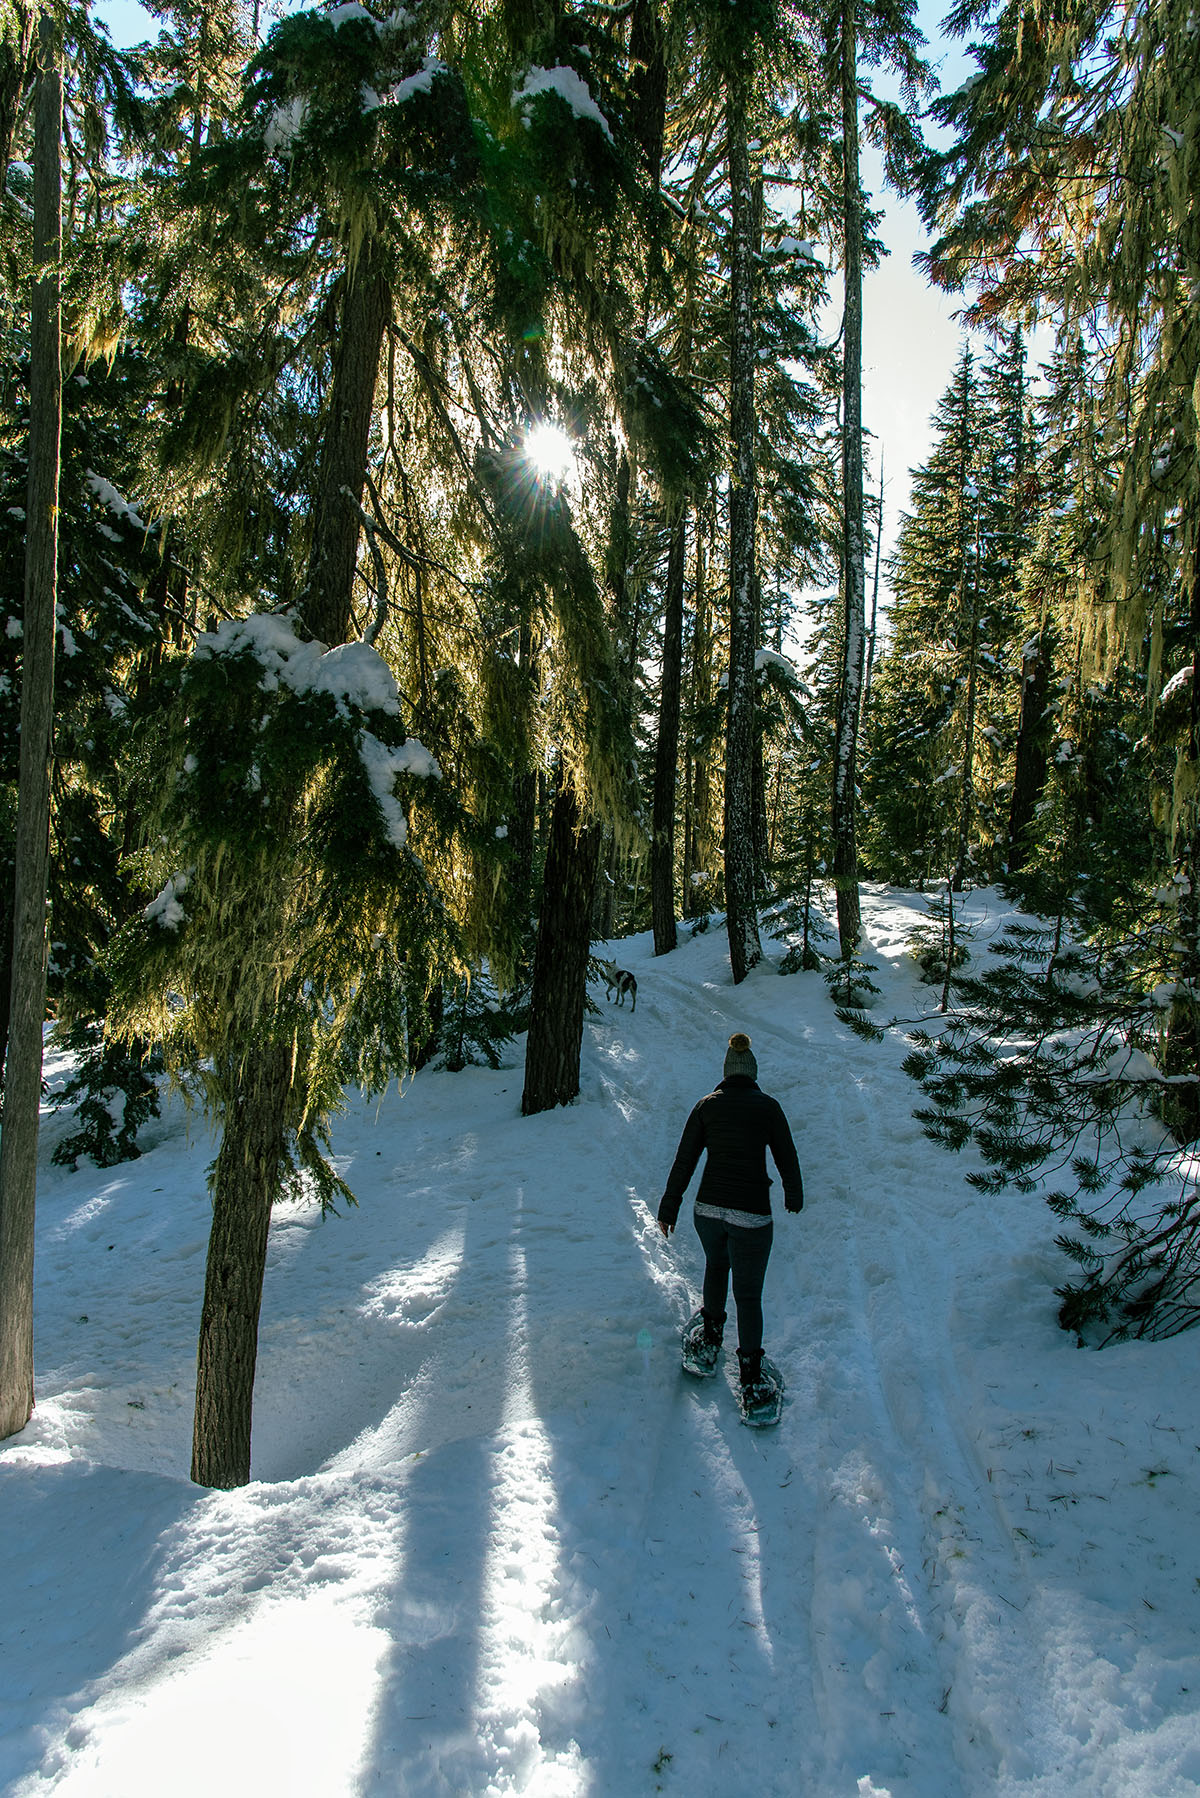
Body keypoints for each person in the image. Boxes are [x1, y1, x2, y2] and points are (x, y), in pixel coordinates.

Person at [657, 1032, 803, 1405]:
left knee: (716, 1267)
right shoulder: (768, 1107)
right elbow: (786, 1155)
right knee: (749, 1294)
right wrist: (793, 1194)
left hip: (707, 1210)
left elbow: (684, 1160)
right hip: (751, 1214)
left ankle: (708, 1341)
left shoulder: (707, 1105)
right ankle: (752, 1379)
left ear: (725, 1072)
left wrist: (669, 1207)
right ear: (752, 1073)